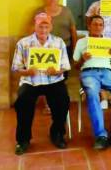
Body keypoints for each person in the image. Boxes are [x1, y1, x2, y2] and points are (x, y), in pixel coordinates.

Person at [12, 13, 70, 155]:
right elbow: (15, 68)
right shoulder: (23, 43)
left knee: (63, 100)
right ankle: (23, 140)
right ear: (34, 26)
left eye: (46, 26)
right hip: (31, 81)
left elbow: (65, 66)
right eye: (40, 26)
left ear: (51, 27)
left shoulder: (59, 42)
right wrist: (27, 72)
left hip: (53, 80)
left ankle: (57, 134)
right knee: (22, 102)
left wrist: (57, 71)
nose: (43, 30)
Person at [73, 15, 111, 151]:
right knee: (92, 94)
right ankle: (101, 135)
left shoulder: (108, 42)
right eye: (95, 24)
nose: (98, 27)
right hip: (89, 72)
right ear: (89, 26)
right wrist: (82, 59)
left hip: (107, 72)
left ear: (103, 27)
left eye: (100, 25)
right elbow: (75, 65)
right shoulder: (82, 42)